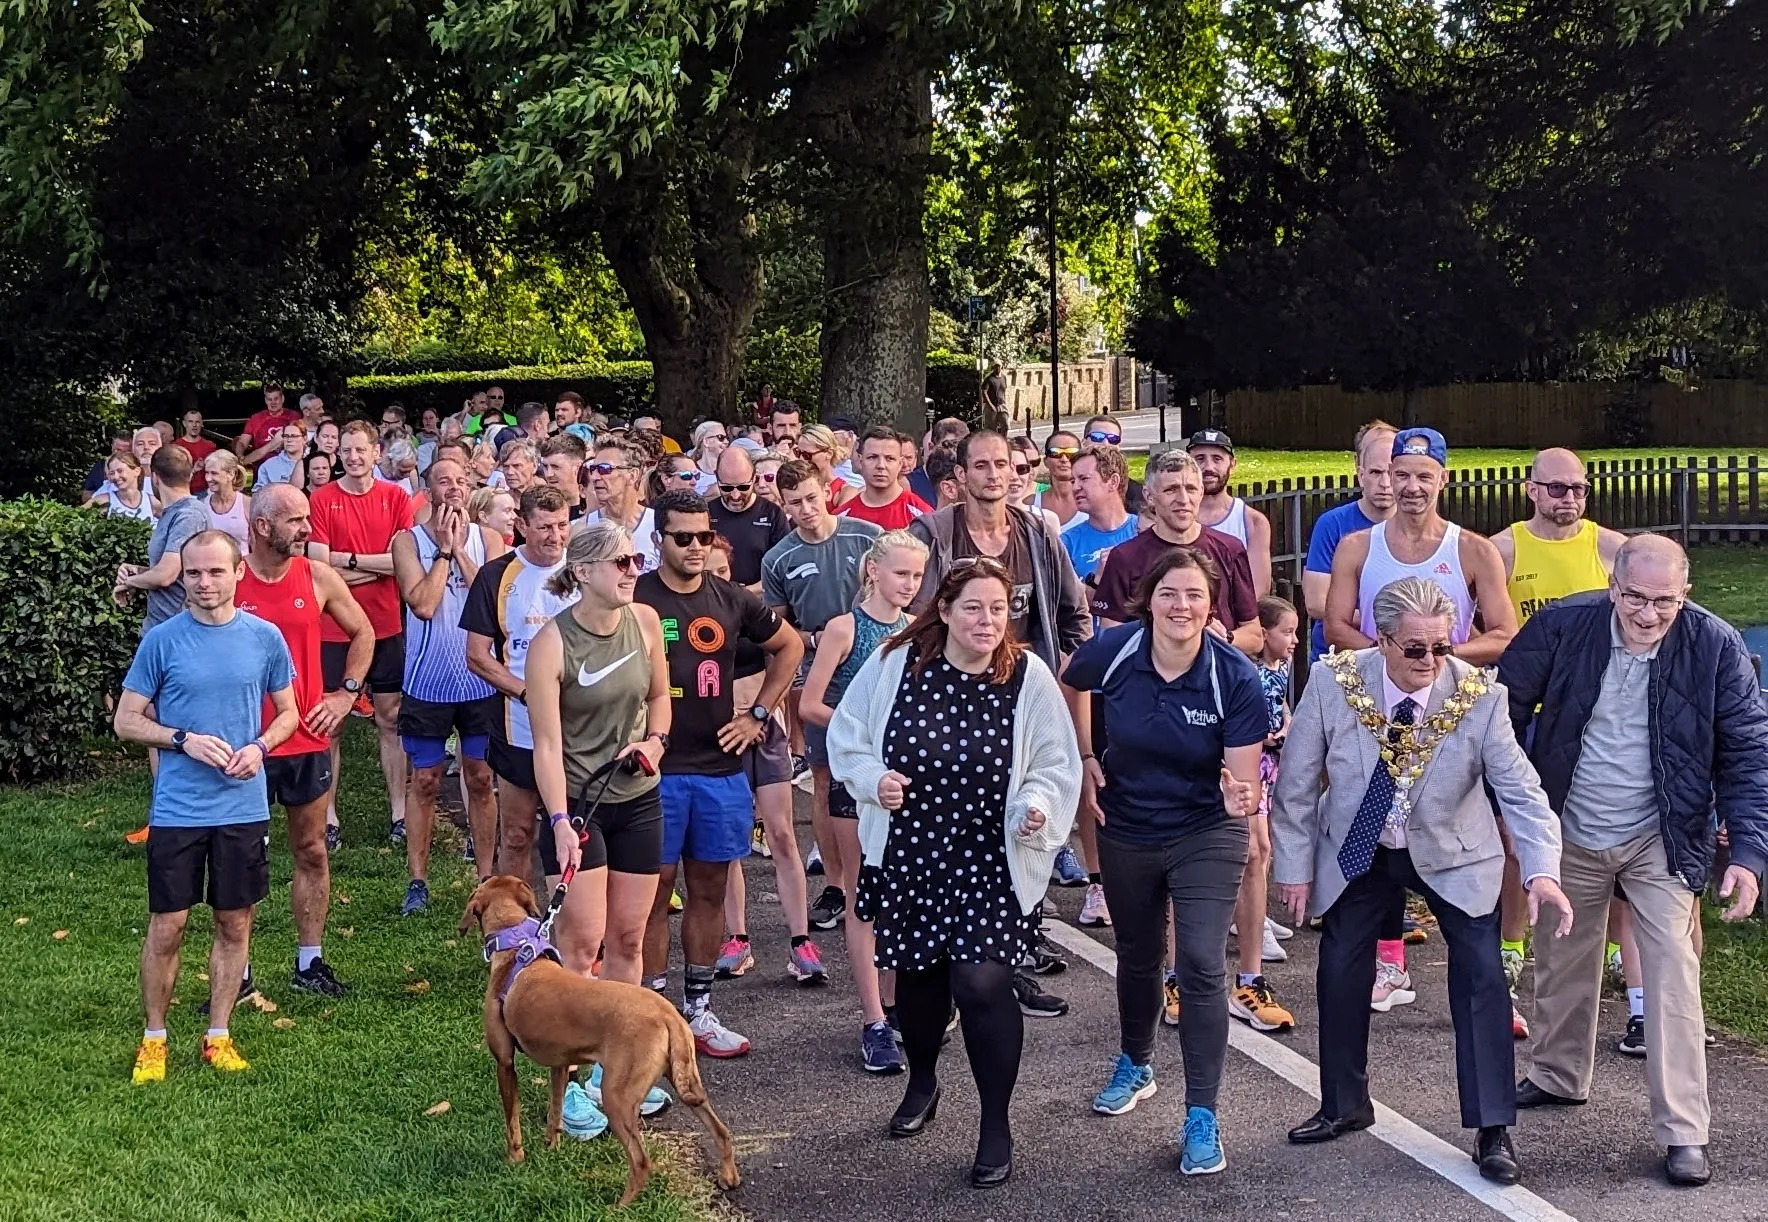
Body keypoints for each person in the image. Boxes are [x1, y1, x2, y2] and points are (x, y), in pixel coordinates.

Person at [1272, 576, 1570, 1187]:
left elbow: (1522, 792)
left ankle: (1492, 1127)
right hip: (1361, 844)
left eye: (1444, 647)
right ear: (1381, 641)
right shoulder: (1333, 682)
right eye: (1416, 649)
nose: (1432, 662)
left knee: (1483, 975)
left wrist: (1542, 871)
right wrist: (1294, 869)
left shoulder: (1480, 696)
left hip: (1456, 852)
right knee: (1338, 967)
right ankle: (1344, 1103)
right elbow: (1297, 783)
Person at [1498, 535, 1768, 1188]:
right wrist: (1515, 812)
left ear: (1687, 594)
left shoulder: (1716, 644)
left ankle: (1684, 1131)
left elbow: (1748, 748)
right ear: (1612, 586)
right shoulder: (1561, 626)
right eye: (1635, 599)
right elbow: (1498, 717)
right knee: (1561, 953)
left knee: (1673, 973)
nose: (1648, 615)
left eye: (1664, 602)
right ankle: (1559, 1074)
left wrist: (1751, 855)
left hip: (1664, 833)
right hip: (1572, 824)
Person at [828, 559, 1081, 1189]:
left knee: (981, 983)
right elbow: (848, 735)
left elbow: (1055, 760)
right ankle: (922, 1081)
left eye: (997, 609)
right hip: (912, 854)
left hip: (991, 860)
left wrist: (1038, 808)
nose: (987, 621)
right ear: (944, 609)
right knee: (919, 988)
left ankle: (995, 1124)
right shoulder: (896, 664)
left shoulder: (1028, 675)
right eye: (973, 607)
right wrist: (871, 780)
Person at [1061, 548, 1268, 1176]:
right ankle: (1137, 1061)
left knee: (1202, 964)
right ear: (1148, 599)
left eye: (1196, 596)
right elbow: (1071, 681)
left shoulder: (1233, 676)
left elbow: (1242, 783)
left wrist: (1242, 793)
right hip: (1126, 824)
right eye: (1171, 594)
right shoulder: (1117, 650)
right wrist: (1087, 755)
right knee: (1139, 953)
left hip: (1206, 828)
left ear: (1212, 607)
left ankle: (1202, 1114)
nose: (1183, 607)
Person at [907, 429, 1090, 1018]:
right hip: (954, 695)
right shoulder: (935, 534)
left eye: (1004, 465)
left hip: (1024, 692)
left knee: (1027, 825)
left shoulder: (1037, 532)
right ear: (959, 474)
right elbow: (916, 614)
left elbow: (1072, 609)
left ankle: (1020, 955)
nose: (994, 475)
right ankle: (953, 966)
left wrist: (1068, 664)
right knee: (963, 831)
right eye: (981, 465)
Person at [117, 531, 300, 1085]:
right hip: (177, 809)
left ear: (238, 572)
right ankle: (155, 1037)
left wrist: (260, 747)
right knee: (168, 925)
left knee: (233, 919)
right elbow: (126, 721)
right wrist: (181, 739)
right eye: (193, 573)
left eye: (215, 572)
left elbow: (289, 712)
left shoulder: (265, 638)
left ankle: (218, 1034)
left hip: (242, 808)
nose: (204, 583)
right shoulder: (163, 641)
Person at [637, 491, 804, 1055]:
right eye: (682, 537)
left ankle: (699, 1011)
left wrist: (758, 715)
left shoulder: (731, 598)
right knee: (653, 895)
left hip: (718, 770)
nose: (694, 547)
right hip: (653, 773)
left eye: (703, 536)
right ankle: (652, 1015)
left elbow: (790, 647)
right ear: (659, 537)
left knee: (709, 892)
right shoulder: (635, 597)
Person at [526, 520, 672, 1137]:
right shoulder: (551, 644)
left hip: (639, 797)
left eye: (635, 559)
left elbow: (662, 699)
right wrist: (560, 822)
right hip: (580, 805)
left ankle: (616, 1075)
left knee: (630, 942)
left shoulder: (643, 623)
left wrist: (656, 743)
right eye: (619, 562)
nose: (631, 570)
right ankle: (574, 1083)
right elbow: (546, 745)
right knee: (582, 949)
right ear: (582, 572)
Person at [1489, 446, 1626, 1038]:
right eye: (1556, 488)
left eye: (1578, 488)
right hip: (1531, 712)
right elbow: (1483, 626)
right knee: (1518, 838)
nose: (1568, 498)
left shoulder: (1610, 550)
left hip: (1597, 716)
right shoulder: (1503, 549)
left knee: (1615, 835)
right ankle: (1512, 944)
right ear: (1531, 490)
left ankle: (1618, 950)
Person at [237, 485, 374, 995]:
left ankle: (309, 963)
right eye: (295, 520)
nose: (307, 529)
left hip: (305, 740)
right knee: (243, 858)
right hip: (244, 745)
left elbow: (365, 632)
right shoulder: (228, 579)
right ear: (261, 526)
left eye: (307, 518)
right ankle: (240, 971)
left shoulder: (316, 575)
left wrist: (345, 695)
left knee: (312, 850)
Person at [801, 530, 929, 1073]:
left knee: (901, 897)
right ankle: (873, 1018)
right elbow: (810, 703)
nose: (910, 585)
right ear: (873, 571)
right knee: (864, 896)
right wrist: (865, 735)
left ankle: (898, 1007)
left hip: (899, 784)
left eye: (918, 577)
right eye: (902, 574)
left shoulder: (917, 631)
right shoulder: (845, 628)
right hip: (856, 780)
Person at [760, 460, 883, 930]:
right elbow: (776, 625)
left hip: (874, 670)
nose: (806, 510)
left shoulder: (865, 536)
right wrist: (813, 641)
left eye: (812, 498)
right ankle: (836, 884)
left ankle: (879, 872)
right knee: (826, 778)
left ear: (826, 492)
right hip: (819, 676)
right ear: (784, 506)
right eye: (795, 503)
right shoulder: (779, 559)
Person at [703, 534, 825, 992]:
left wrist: (758, 712)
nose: (712, 579)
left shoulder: (742, 608)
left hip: (761, 732)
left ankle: (801, 942)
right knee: (730, 842)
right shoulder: (674, 614)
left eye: (720, 571)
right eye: (706, 571)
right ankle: (738, 940)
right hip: (715, 739)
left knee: (782, 835)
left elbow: (789, 650)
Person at [391, 458, 506, 912]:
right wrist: (440, 551)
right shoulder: (406, 542)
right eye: (444, 481)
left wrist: (460, 550)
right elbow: (421, 604)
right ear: (428, 489)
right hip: (428, 681)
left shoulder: (490, 539)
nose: (455, 488)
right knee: (425, 780)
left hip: (480, 681)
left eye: (461, 481)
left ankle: (486, 877)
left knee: (480, 778)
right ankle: (417, 881)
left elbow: (497, 599)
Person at [1325, 428, 1516, 666]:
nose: (1412, 487)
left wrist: (1439, 656)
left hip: (1450, 692)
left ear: (1443, 479)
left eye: (1424, 477)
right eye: (1403, 475)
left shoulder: (1476, 551)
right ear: (1391, 475)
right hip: (1375, 689)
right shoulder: (1354, 548)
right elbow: (1334, 628)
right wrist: (1390, 658)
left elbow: (1505, 635)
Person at [307, 421, 414, 843]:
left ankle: (400, 815)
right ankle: (328, 818)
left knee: (391, 718)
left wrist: (345, 562)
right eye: (346, 451)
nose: (353, 457)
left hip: (385, 625)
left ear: (375, 453)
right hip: (333, 630)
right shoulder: (322, 498)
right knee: (330, 724)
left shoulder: (395, 497)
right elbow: (317, 568)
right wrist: (374, 564)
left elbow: (403, 564)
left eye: (360, 450)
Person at [462, 486, 576, 881]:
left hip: (583, 725)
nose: (556, 536)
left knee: (581, 833)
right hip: (519, 725)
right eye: (545, 527)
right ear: (522, 525)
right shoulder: (496, 576)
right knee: (516, 833)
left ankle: (579, 926)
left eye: (562, 525)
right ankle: (516, 927)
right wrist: (527, 692)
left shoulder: (588, 568)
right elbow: (477, 655)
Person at [1091, 450, 1261, 655]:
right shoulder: (1125, 557)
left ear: (1200, 492)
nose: (1183, 499)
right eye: (1171, 489)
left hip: (1214, 677)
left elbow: (1255, 636)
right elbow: (1109, 639)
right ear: (1149, 496)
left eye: (1190, 489)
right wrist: (1175, 632)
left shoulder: (1230, 549)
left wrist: (1225, 638)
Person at [1302, 421, 1396, 662]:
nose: (1385, 483)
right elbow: (1315, 602)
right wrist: (1389, 623)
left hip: (1402, 657)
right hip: (1337, 657)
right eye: (1376, 472)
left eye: (1393, 472)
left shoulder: (1418, 528)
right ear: (1360, 474)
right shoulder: (1332, 524)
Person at [114, 446, 207, 630]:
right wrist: (138, 572)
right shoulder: (172, 513)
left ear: (155, 478)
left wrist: (129, 582)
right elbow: (172, 571)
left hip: (180, 632)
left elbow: (166, 575)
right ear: (189, 476)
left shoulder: (188, 515)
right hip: (161, 630)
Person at [1188, 429, 1273, 598]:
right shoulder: (1173, 516)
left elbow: (1258, 589)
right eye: (1200, 459)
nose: (1208, 467)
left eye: (1217, 459)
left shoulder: (1253, 522)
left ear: (1232, 464)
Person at [707, 446, 790, 589]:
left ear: (754, 478)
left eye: (743, 487)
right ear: (716, 477)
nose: (735, 496)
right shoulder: (706, 513)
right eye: (726, 488)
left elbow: (783, 568)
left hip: (759, 601)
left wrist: (745, 593)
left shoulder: (773, 514)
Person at [1061, 446, 1138, 588]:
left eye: (1084, 479)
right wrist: (1097, 580)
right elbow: (1069, 605)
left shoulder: (1145, 531)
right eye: (1073, 481)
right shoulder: (1067, 543)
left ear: (1113, 482)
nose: (1075, 487)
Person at [587, 439, 661, 574]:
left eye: (604, 469)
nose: (594, 477)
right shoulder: (584, 528)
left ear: (632, 475)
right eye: (593, 469)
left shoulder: (658, 524)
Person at [838, 427, 932, 530]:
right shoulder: (841, 518)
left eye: (889, 459)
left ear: (900, 463)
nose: (881, 465)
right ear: (861, 461)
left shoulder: (924, 517)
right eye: (872, 457)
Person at [1081, 415, 1144, 515]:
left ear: (1118, 447)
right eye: (1097, 437)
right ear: (1084, 443)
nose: (1105, 443)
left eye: (1113, 439)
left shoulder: (1137, 493)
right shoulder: (1072, 486)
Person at [235, 385, 301, 469]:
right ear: (265, 400)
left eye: (276, 398)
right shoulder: (255, 418)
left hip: (287, 464)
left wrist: (247, 460)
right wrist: (240, 456)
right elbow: (242, 442)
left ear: (282, 398)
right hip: (261, 465)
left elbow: (279, 442)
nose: (273, 402)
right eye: (270, 399)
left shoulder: (293, 416)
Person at [793, 424, 855, 509]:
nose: (801, 459)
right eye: (797, 453)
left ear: (829, 453)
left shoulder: (844, 492)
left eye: (807, 455)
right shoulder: (794, 486)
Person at [201, 452, 251, 550]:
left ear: (231, 474)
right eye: (207, 473)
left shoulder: (247, 504)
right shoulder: (202, 506)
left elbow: (257, 545)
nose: (208, 478)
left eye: (214, 473)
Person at [1034, 431, 1083, 527]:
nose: (1064, 459)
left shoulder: (1093, 504)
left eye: (1071, 453)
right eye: (1055, 453)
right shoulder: (1030, 504)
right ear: (1045, 461)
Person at [92, 452, 156, 523]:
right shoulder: (104, 500)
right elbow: (79, 516)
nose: (116, 477)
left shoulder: (151, 502)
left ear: (137, 471)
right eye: (112, 473)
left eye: (120, 471)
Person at [539, 432, 590, 519]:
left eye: (556, 467)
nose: (548, 474)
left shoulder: (595, 510)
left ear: (577, 467)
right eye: (545, 466)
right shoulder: (539, 510)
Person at [84, 429, 136, 504]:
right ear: (112, 447)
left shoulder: (136, 469)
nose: (121, 454)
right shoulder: (100, 467)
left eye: (126, 451)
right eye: (118, 450)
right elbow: (85, 495)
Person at [173, 409, 217, 495]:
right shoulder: (176, 446)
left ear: (201, 424)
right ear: (184, 424)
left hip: (207, 491)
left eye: (197, 422)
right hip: (183, 492)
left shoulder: (210, 446)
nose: (194, 425)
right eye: (190, 422)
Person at [255, 422, 307, 487]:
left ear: (305, 439)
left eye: (294, 436)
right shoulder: (268, 466)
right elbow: (258, 493)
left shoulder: (314, 462)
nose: (289, 440)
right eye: (286, 436)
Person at [690, 420, 730, 495]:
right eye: (721, 437)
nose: (726, 441)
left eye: (727, 438)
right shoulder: (690, 470)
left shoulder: (731, 469)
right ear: (706, 442)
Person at [981, 361, 1009, 432]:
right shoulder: (989, 379)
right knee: (991, 429)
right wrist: (991, 406)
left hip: (1001, 406)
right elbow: (984, 392)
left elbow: (1003, 390)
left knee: (1005, 425)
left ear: (1001, 367)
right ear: (993, 367)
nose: (997, 368)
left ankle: (1003, 441)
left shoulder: (1003, 377)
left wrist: (1004, 402)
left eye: (999, 366)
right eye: (996, 366)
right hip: (991, 407)